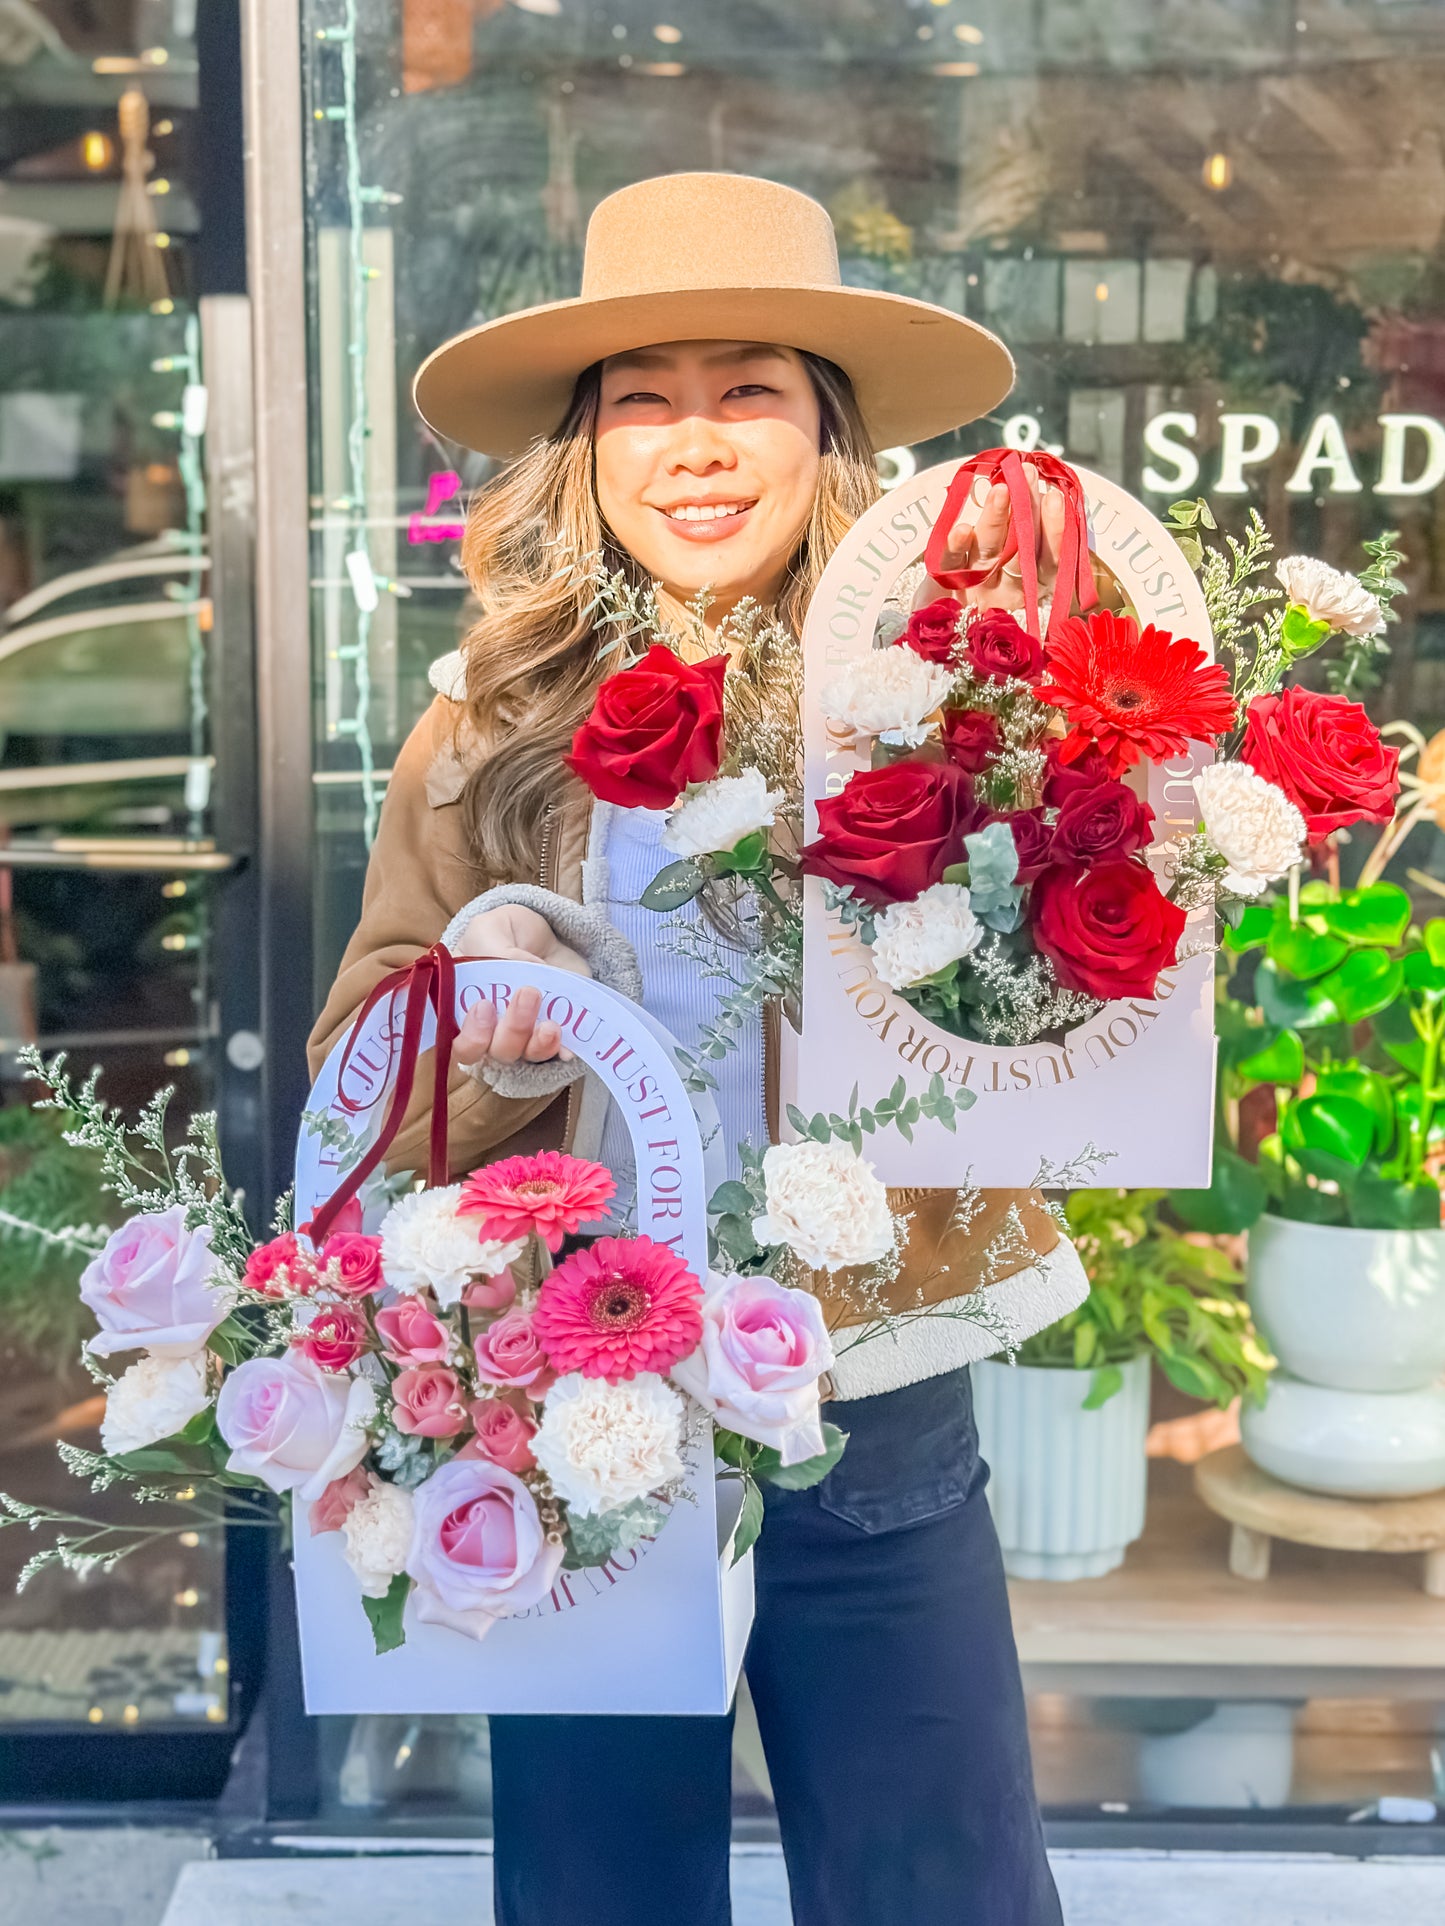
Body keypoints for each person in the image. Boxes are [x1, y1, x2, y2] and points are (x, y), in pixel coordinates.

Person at [310, 172, 1089, 1926]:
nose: (696, 439)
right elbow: (355, 1069)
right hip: (575, 1399)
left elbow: (1080, 1008)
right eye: (642, 398)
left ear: (829, 430)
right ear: (585, 450)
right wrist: (482, 984)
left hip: (871, 1391)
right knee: (599, 1895)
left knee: (940, 1889)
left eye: (749, 387)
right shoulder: (486, 722)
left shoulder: (949, 694)